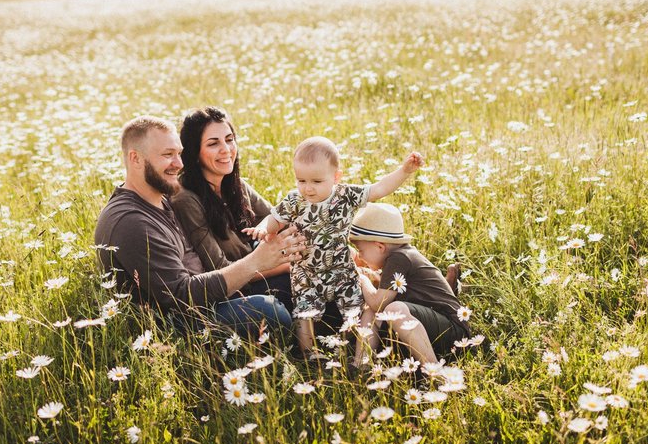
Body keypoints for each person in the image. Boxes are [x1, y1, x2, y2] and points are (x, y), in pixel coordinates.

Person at [93, 116, 305, 339]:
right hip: (180, 323)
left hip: (212, 298)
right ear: (135, 159)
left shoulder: (162, 199)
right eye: (167, 155)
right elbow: (181, 297)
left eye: (178, 153)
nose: (179, 164)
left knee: (301, 280)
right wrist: (256, 262)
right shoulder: (132, 222)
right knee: (269, 311)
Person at [244, 136, 423, 358]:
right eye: (301, 181)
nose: (308, 189)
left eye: (316, 182)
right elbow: (275, 219)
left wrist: (404, 171)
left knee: (355, 309)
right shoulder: (294, 200)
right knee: (304, 313)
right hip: (305, 272)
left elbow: (378, 189)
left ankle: (353, 347)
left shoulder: (345, 196)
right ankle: (309, 353)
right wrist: (264, 229)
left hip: (341, 269)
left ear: (336, 177)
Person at [170, 106, 292, 310]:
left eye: (229, 139)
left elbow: (280, 220)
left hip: (263, 269)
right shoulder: (185, 199)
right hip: (239, 291)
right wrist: (287, 266)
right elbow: (219, 269)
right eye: (213, 143)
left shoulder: (235, 185)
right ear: (194, 152)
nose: (226, 149)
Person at [349, 202, 469, 366]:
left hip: (454, 332)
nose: (360, 257)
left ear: (380, 246)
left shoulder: (399, 258)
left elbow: (379, 303)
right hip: (431, 327)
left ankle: (433, 371)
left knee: (393, 309)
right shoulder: (401, 255)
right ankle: (361, 364)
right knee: (370, 312)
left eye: (360, 251)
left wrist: (361, 279)